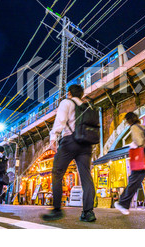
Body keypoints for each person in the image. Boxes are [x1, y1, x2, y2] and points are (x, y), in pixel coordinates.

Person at [42, 84, 96, 222]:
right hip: (86, 144)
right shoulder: (87, 106)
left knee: (57, 173)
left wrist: (53, 138)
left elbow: (60, 120)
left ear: (69, 93)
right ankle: (88, 212)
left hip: (70, 141)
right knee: (86, 176)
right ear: (82, 94)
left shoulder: (66, 102)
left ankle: (57, 210)